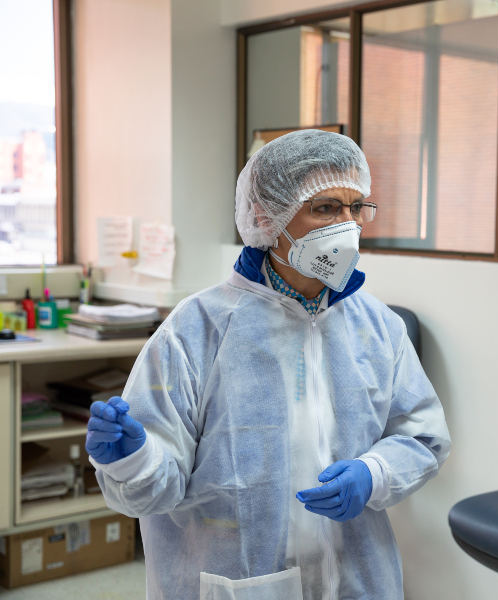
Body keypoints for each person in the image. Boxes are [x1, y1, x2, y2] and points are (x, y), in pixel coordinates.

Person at [85, 130, 451, 600]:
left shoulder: (378, 328)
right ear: (265, 216)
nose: (347, 225)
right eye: (325, 209)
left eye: (356, 207)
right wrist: (132, 459)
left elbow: (422, 435)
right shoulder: (197, 329)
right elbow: (155, 491)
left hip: (355, 577)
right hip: (235, 580)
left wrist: (374, 472)